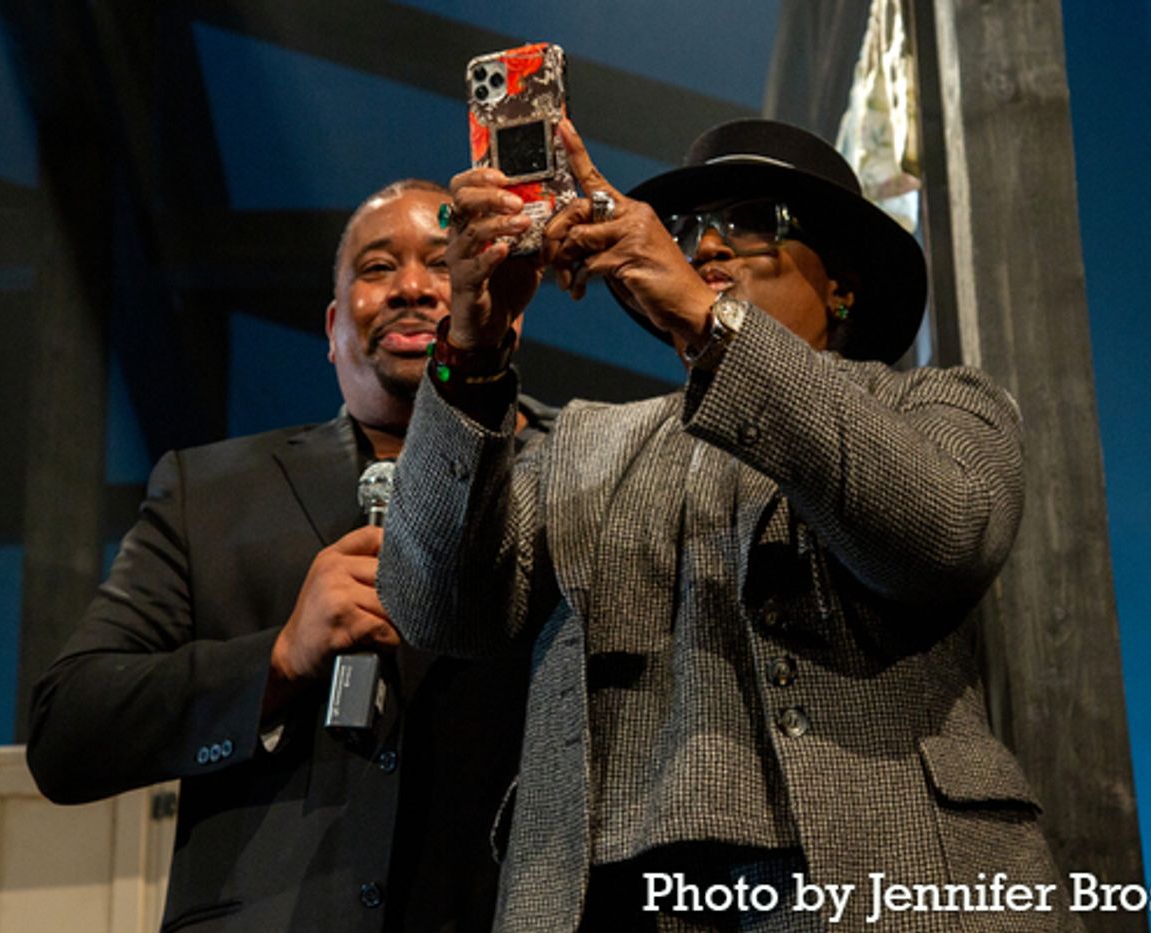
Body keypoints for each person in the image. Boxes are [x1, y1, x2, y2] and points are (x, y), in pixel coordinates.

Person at [377, 120, 1076, 932]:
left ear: (842, 281)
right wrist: (473, 345)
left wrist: (714, 327)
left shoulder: (939, 405)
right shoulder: (579, 442)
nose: (707, 246)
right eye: (686, 230)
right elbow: (435, 607)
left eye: (752, 220)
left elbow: (942, 532)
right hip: (609, 894)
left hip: (880, 877)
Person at [25, 179, 554, 932]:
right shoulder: (207, 492)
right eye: (377, 269)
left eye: (444, 266)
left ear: (502, 312)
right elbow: (65, 734)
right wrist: (276, 659)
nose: (411, 286)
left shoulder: (570, 476)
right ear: (334, 328)